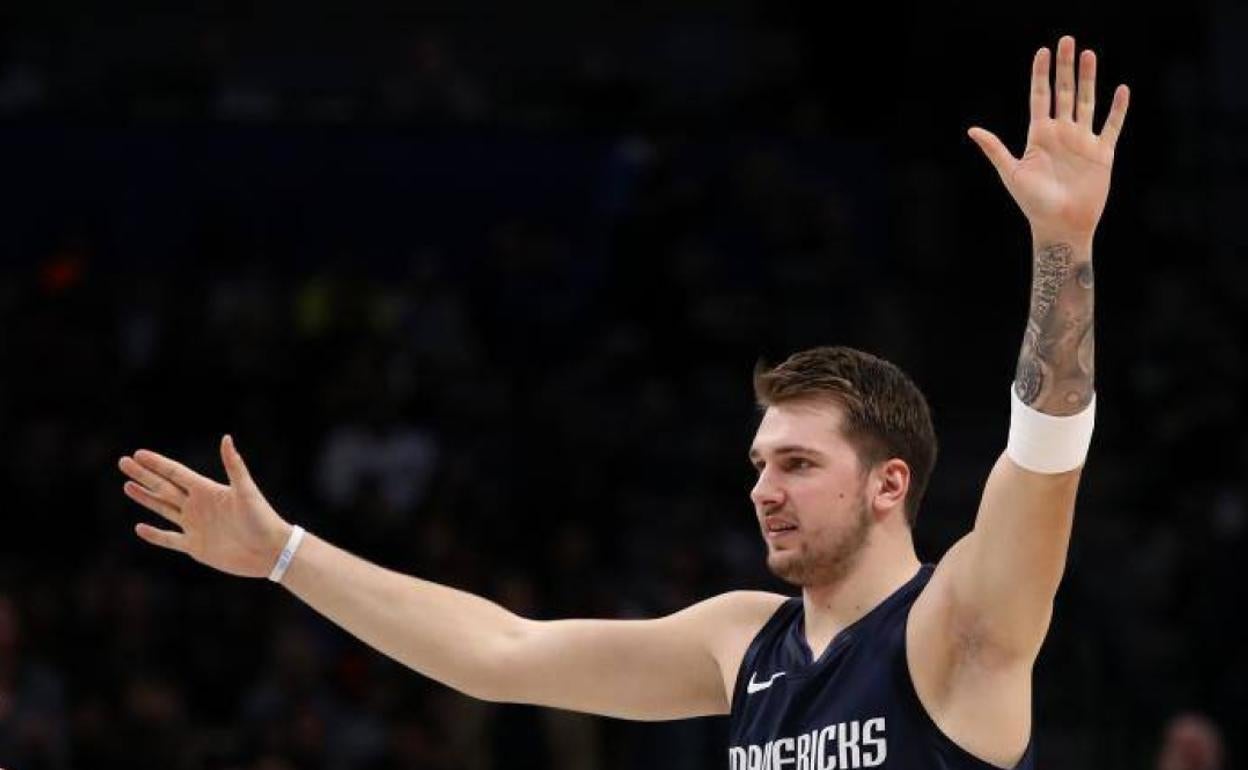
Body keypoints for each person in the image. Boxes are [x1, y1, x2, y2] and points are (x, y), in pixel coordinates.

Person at [118, 35, 1129, 769]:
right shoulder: (742, 641)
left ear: (888, 483)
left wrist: (1063, 245)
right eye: (760, 464)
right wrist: (284, 553)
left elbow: (1044, 456)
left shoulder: (957, 623)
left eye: (798, 463)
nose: (764, 489)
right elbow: (501, 652)